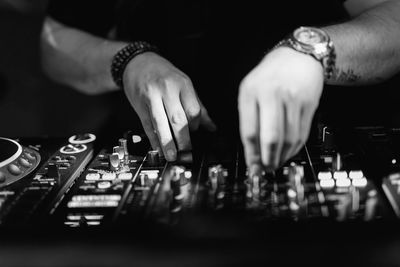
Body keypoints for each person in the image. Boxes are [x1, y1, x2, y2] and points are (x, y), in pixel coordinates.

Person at [40, 0, 400, 175]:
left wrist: (309, 52)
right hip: (156, 144)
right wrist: (129, 61)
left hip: (330, 138)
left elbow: (393, 20)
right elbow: (55, 42)